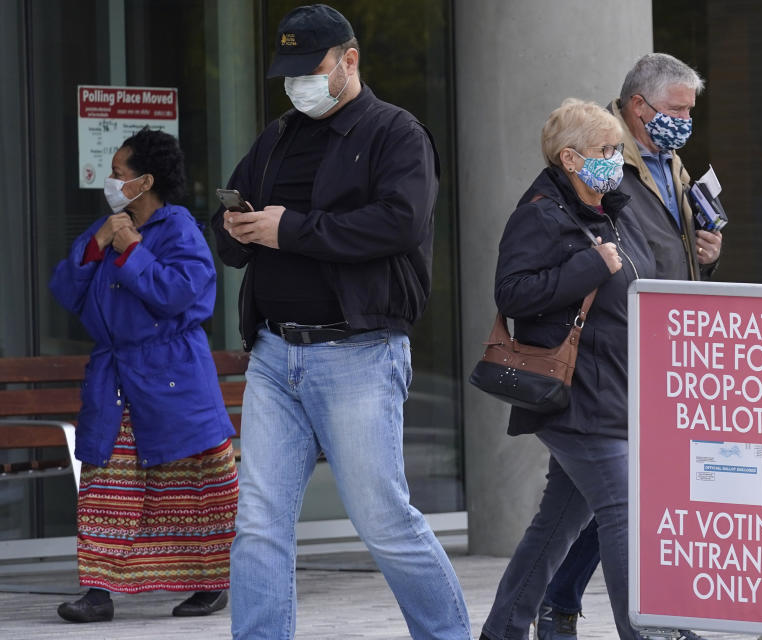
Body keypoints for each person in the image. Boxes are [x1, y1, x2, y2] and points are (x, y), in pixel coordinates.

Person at [210, 5, 470, 639]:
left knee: (382, 518)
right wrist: (238, 230)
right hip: (275, 352)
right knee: (259, 521)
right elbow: (241, 227)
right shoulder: (276, 137)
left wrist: (288, 229)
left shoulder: (396, 133)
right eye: (290, 73)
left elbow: (399, 224)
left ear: (349, 61)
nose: (299, 84)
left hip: (359, 352)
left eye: (312, 69)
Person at [535, 52, 722, 640]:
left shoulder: (672, 162)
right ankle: (633, 618)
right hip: (615, 349)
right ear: (638, 107)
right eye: (675, 110)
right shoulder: (605, 157)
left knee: (614, 494)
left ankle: (554, 602)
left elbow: (670, 248)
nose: (684, 121)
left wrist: (705, 258)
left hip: (671, 340)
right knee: (620, 494)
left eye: (689, 110)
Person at [478, 98, 656, 640]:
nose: (617, 160)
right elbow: (512, 293)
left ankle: (503, 629)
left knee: (558, 521)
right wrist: (587, 266)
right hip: (576, 395)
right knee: (625, 514)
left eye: (619, 150)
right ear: (572, 159)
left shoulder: (611, 210)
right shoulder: (539, 214)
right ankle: (643, 632)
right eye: (607, 150)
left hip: (615, 389)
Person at [49, 128, 238, 623]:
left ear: (145, 181)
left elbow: (180, 294)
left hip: (171, 375)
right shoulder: (111, 225)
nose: (111, 182)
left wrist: (133, 249)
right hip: (115, 377)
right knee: (106, 482)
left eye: (119, 173)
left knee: (195, 486)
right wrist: (98, 244)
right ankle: (97, 592)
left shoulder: (180, 230)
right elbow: (66, 289)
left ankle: (209, 584)